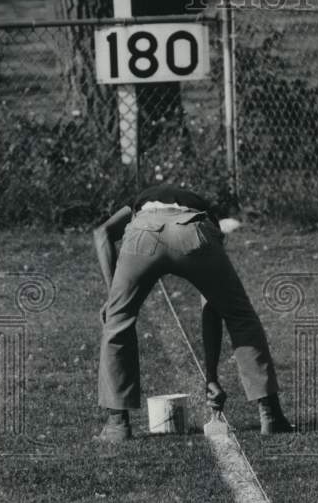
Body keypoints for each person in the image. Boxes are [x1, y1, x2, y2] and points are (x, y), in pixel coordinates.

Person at [94, 181, 293, 441]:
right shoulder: (208, 215)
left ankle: (116, 424)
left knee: (117, 322)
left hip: (141, 232)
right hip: (193, 230)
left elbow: (102, 234)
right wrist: (211, 376)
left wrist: (113, 298)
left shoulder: (139, 202)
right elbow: (210, 305)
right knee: (240, 317)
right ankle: (270, 415)